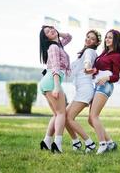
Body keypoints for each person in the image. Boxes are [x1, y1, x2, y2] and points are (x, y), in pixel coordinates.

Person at [88, 29, 120, 154]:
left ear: (116, 40)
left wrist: (106, 77)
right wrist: (93, 71)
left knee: (94, 116)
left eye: (110, 38)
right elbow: (99, 69)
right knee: (90, 119)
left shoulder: (117, 55)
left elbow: (116, 76)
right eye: (106, 37)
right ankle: (110, 143)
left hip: (106, 86)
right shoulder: (104, 53)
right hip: (97, 85)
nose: (107, 39)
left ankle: (102, 145)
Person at [65, 30, 101, 153]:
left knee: (69, 117)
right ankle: (76, 142)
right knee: (64, 116)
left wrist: (87, 67)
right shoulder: (84, 52)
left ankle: (89, 143)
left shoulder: (89, 51)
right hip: (80, 89)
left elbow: (88, 61)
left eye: (92, 39)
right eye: (87, 37)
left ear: (96, 43)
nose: (88, 39)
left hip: (85, 90)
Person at [39, 25, 72, 153]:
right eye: (48, 31)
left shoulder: (58, 45)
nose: (51, 30)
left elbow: (69, 37)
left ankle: (47, 141)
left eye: (51, 28)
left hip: (47, 82)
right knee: (61, 113)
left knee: (56, 114)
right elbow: (56, 68)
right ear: (45, 38)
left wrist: (57, 31)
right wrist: (57, 86)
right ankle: (57, 145)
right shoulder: (53, 47)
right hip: (52, 81)